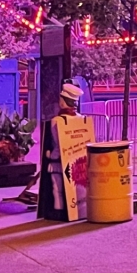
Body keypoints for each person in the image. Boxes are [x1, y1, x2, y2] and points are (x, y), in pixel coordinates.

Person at [46, 83, 83, 212]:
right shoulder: (82, 119)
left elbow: (58, 142)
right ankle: (76, 210)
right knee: (76, 188)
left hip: (59, 160)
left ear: (63, 102)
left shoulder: (56, 120)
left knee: (58, 189)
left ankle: (59, 211)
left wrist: (49, 154)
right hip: (78, 160)